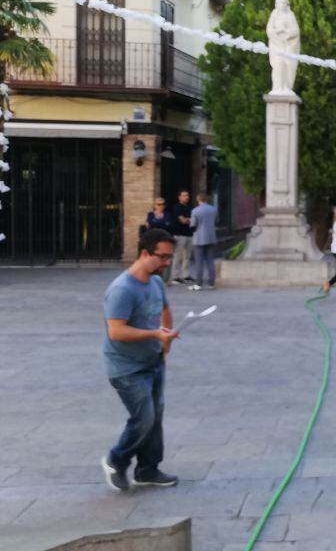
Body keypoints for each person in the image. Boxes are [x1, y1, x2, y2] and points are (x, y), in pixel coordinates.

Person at [100, 228, 180, 491]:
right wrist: (155, 333)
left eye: (170, 257)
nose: (167, 263)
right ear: (145, 253)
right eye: (163, 257)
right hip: (126, 367)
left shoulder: (155, 282)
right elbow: (116, 331)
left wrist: (165, 339)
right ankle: (116, 460)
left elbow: (165, 309)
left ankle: (147, 469)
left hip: (153, 360)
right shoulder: (122, 289)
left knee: (155, 416)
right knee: (144, 418)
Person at [188, 193, 218, 291]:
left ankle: (199, 284)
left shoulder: (195, 211)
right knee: (210, 261)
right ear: (206, 199)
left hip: (199, 238)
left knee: (199, 262)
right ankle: (211, 283)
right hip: (211, 237)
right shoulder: (214, 209)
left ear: (198, 200)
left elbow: (193, 225)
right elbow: (216, 221)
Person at [169, 191, 195, 286]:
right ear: (179, 197)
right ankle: (175, 276)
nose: (186, 197)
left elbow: (194, 220)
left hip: (189, 234)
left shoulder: (190, 207)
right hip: (179, 234)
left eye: (187, 195)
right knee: (178, 256)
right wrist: (189, 220)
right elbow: (183, 221)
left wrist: (188, 220)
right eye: (184, 195)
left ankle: (186, 275)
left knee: (187, 256)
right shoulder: (177, 207)